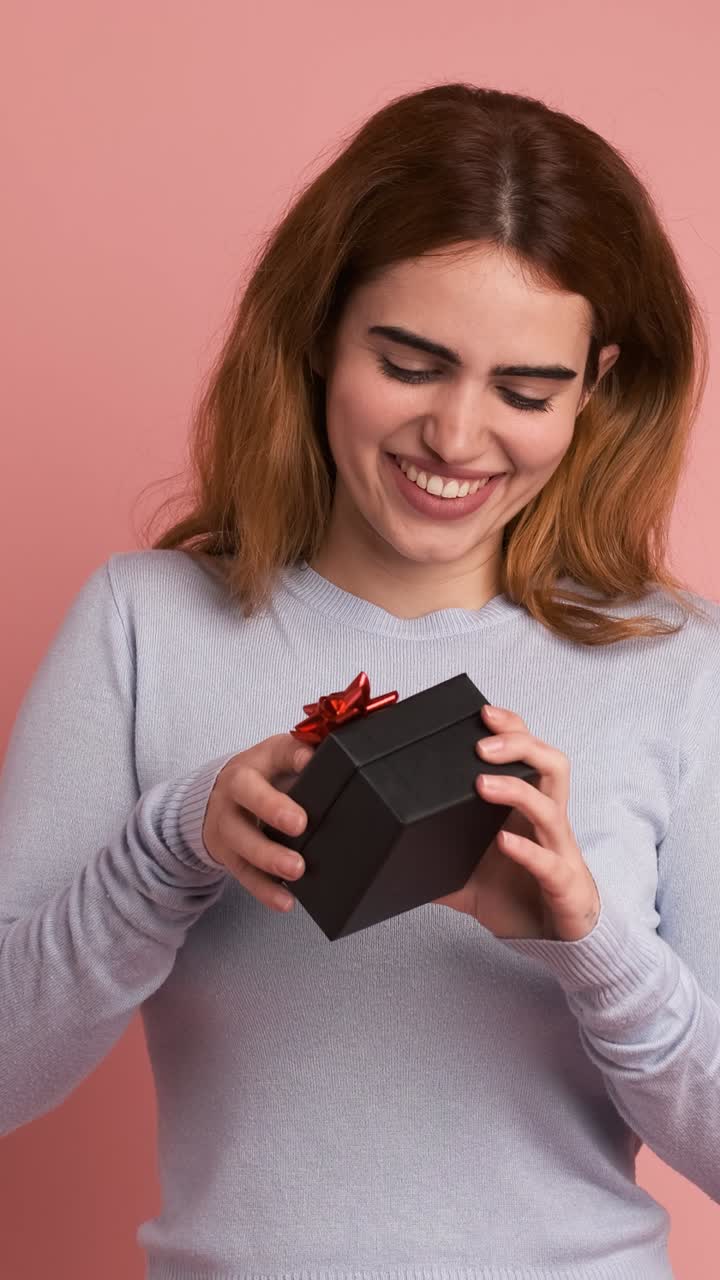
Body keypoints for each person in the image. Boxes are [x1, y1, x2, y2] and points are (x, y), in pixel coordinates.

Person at [1, 81, 718, 1280]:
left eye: (526, 390)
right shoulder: (142, 624)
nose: (458, 436)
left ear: (594, 385)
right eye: (411, 363)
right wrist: (169, 843)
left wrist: (592, 944)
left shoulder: (678, 665)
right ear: (322, 329)